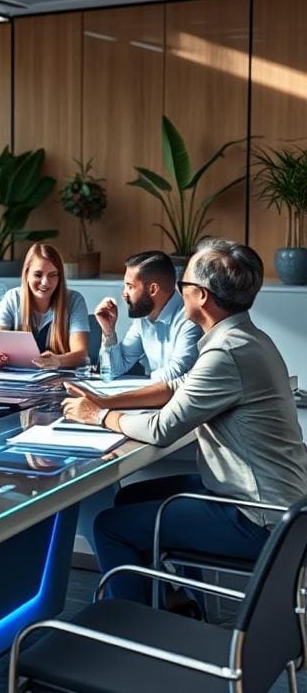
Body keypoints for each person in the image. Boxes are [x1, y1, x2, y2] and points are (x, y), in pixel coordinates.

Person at [61, 239, 307, 606]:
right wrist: (104, 398)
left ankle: (135, 628)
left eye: (183, 285)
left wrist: (98, 416)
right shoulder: (245, 338)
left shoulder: (226, 351)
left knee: (110, 527)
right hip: (277, 505)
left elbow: (162, 430)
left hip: (257, 518)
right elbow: (176, 387)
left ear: (202, 296)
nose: (178, 291)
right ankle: (177, 603)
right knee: (129, 498)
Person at [93, 251, 201, 381]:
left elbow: (176, 374)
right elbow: (113, 370)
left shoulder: (190, 318)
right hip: (155, 394)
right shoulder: (143, 318)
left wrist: (143, 383)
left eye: (130, 287)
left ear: (153, 289)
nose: (124, 294)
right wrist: (109, 331)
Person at [0, 243, 89, 369]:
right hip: (18, 380)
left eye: (53, 275)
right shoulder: (12, 298)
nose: (45, 282)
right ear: (26, 274)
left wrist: (59, 361)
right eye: (38, 275)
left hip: (59, 381)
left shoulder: (75, 301)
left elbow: (81, 354)